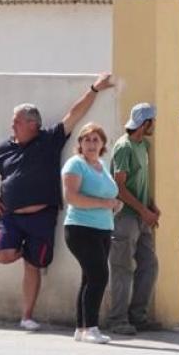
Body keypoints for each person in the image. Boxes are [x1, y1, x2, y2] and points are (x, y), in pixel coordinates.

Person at [0, 73, 113, 331]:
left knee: (36, 264)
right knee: (3, 254)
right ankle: (24, 251)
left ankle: (26, 316)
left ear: (33, 124)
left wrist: (95, 89)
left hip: (41, 216)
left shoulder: (49, 140)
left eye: (16, 121)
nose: (12, 125)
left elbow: (74, 114)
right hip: (10, 216)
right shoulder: (4, 147)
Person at [61, 123, 123, 343]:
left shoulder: (102, 165)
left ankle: (81, 329)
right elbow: (71, 197)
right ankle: (91, 328)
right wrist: (104, 203)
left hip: (103, 229)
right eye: (86, 139)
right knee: (99, 276)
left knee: (89, 278)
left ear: (103, 143)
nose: (91, 144)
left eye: (96, 139)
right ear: (80, 143)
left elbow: (108, 195)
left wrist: (115, 204)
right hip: (80, 229)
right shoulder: (75, 164)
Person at [105, 103, 161, 335]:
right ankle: (117, 319)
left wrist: (151, 205)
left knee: (149, 265)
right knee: (122, 268)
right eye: (153, 121)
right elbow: (119, 187)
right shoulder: (124, 147)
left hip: (141, 216)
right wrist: (143, 211)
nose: (154, 125)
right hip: (125, 218)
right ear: (145, 123)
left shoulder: (144, 145)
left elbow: (140, 181)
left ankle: (138, 316)